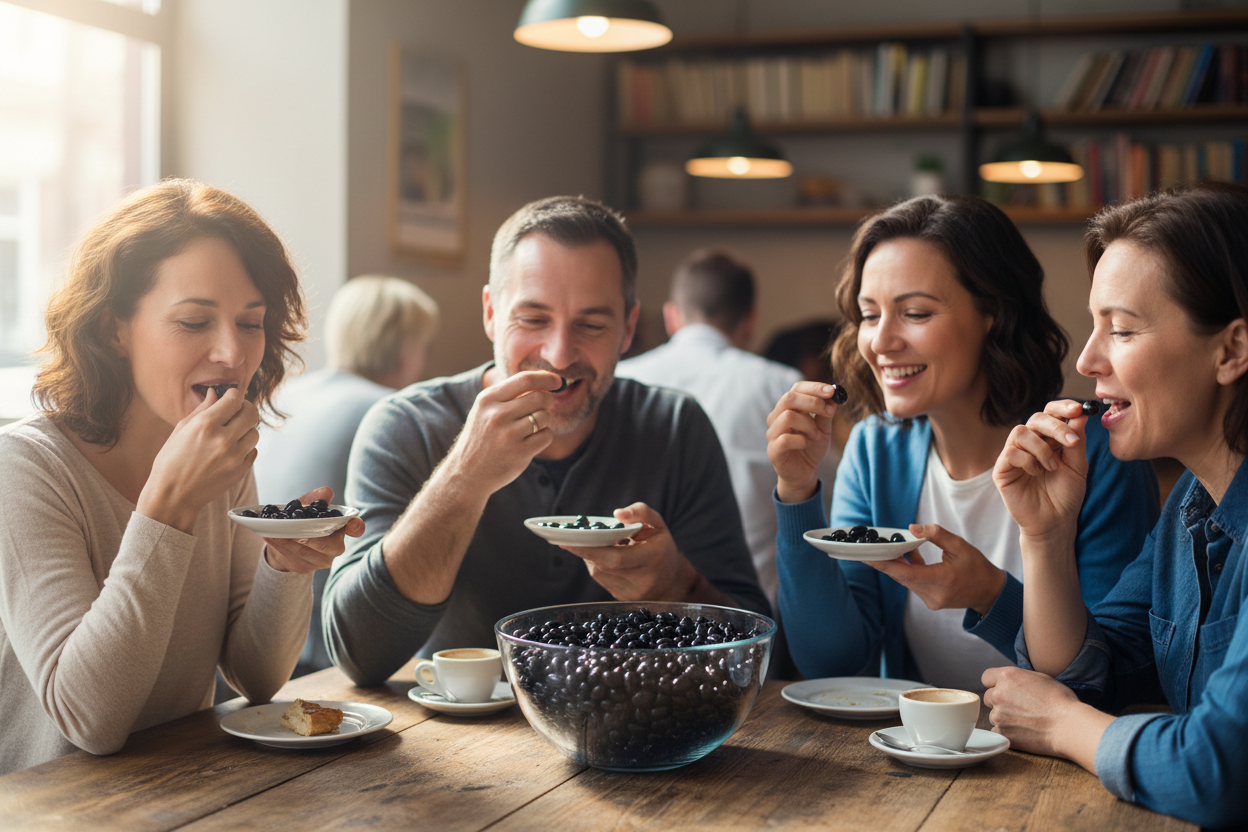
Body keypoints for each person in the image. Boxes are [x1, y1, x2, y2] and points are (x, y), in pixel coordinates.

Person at [323, 196, 769, 686]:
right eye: (533, 319)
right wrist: (464, 476)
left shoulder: (674, 428)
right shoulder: (407, 427)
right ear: (492, 313)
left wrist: (675, 583)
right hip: (452, 743)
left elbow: (759, 656)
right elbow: (358, 656)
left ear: (627, 329)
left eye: (592, 325)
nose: (558, 354)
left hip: (627, 732)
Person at [0, 179, 365, 775]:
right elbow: (88, 719)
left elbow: (257, 677)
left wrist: (285, 566)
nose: (232, 352)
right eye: (195, 322)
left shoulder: (217, 457)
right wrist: (166, 508)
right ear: (113, 329)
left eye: (251, 323)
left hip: (184, 793)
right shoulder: (25, 468)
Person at [767, 194, 1159, 691]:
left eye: (914, 313)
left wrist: (990, 595)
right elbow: (834, 664)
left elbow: (1111, 680)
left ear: (991, 312)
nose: (881, 342)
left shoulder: (1090, 450)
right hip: (915, 754)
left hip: (1056, 761)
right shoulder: (874, 450)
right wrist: (797, 491)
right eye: (869, 315)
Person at [984, 184, 1248, 829]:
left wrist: (1060, 726)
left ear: (1231, 351)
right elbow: (1088, 673)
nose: (1086, 359)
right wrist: (1045, 536)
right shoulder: (1192, 502)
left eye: (1122, 329)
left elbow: (1215, 771)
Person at [617, 249, 828, 610]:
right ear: (750, 321)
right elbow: (828, 499)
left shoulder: (621, 381)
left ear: (672, 316)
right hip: (753, 620)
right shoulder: (782, 387)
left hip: (627, 616)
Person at [257, 275, 438, 675]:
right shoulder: (392, 414)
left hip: (258, 623)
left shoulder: (285, 396)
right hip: (326, 649)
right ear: (406, 350)